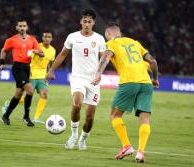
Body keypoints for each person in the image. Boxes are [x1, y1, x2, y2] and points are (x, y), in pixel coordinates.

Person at [92, 22, 159, 163]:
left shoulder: (111, 44)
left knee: (114, 115)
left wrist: (98, 73)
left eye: (106, 36)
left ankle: (126, 145)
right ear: (120, 32)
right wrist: (155, 79)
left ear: (109, 34)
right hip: (146, 83)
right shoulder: (135, 43)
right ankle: (141, 152)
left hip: (129, 82)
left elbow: (105, 57)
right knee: (145, 117)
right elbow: (153, 62)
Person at [47, 9, 106, 150]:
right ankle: (73, 135)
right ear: (81, 22)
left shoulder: (99, 39)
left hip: (93, 81)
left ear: (93, 23)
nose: (87, 24)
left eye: (89, 22)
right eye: (84, 21)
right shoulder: (72, 37)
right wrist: (51, 70)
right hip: (78, 78)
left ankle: (83, 140)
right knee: (77, 104)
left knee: (90, 116)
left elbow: (104, 58)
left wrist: (99, 73)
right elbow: (62, 55)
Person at [0, 19, 44, 126]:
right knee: (29, 90)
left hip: (26, 68)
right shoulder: (11, 40)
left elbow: (42, 54)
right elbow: (4, 50)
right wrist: (2, 63)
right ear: (17, 28)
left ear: (27, 27)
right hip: (17, 67)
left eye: (24, 26)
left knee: (18, 95)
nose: (22, 28)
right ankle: (26, 117)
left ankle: (5, 116)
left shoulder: (32, 40)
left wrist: (36, 52)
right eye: (20, 26)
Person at [18, 32, 56, 124]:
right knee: (26, 96)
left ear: (51, 39)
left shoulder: (53, 50)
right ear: (42, 38)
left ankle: (36, 117)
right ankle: (8, 105)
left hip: (42, 76)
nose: (47, 38)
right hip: (32, 74)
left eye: (49, 37)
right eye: (45, 37)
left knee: (44, 95)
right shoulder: (36, 46)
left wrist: (50, 72)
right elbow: (27, 54)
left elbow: (50, 62)